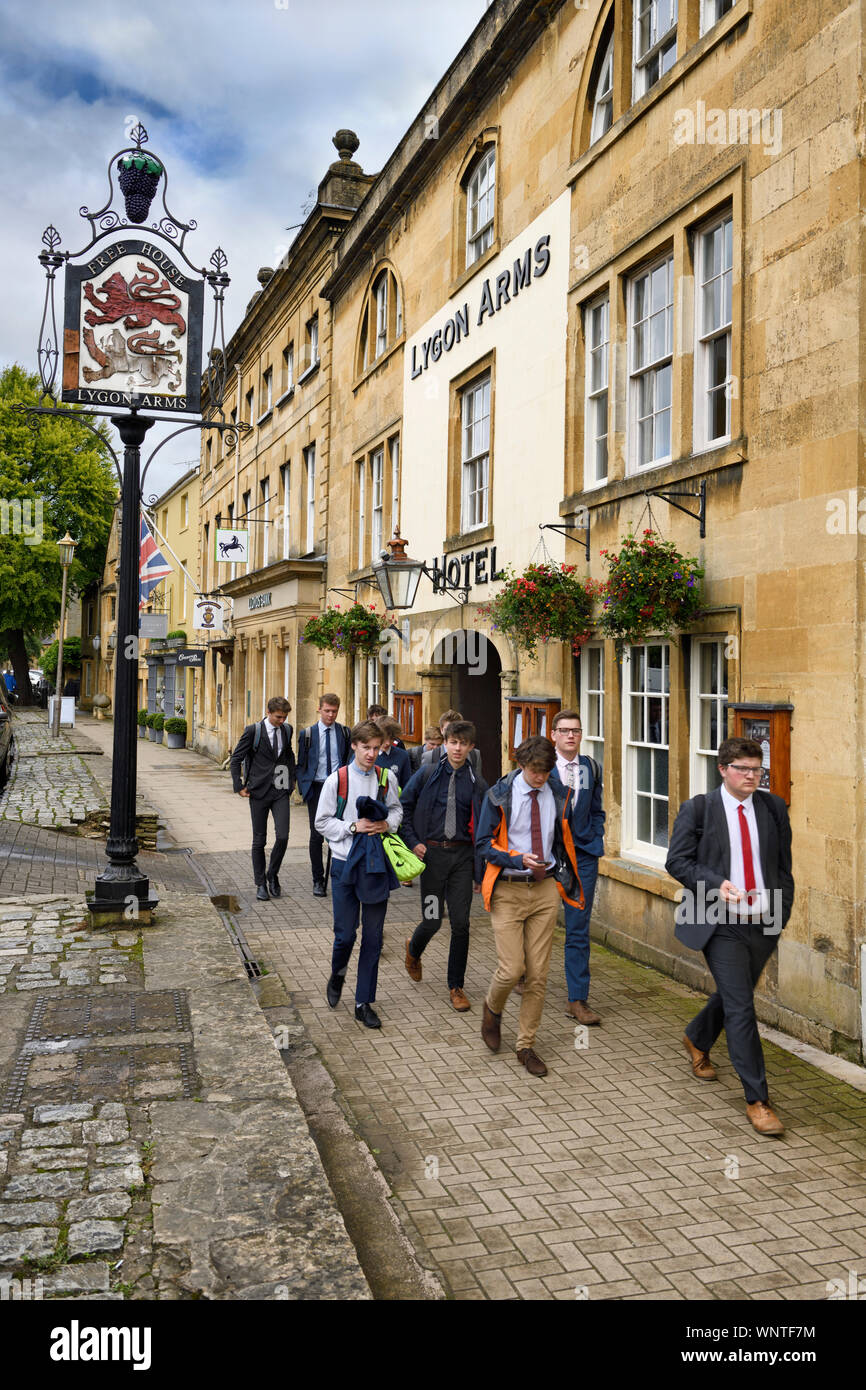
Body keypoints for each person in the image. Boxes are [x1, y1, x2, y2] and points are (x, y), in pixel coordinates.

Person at [665, 736, 795, 1136]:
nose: (753, 776)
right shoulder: (700, 809)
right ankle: (758, 1099)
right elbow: (677, 862)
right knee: (741, 1008)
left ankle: (696, 1037)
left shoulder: (772, 807)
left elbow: (783, 867)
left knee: (733, 994)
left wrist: (781, 913)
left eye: (757, 769)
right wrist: (714, 882)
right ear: (723, 769)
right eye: (744, 769)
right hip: (720, 923)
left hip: (763, 922)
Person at [476, 735, 583, 1078]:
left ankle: (525, 1046)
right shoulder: (498, 795)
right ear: (521, 765)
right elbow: (482, 844)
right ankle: (492, 1009)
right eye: (535, 771)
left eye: (546, 771)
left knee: (537, 975)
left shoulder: (559, 793)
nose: (540, 777)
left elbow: (565, 838)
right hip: (508, 889)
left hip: (544, 890)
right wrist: (515, 857)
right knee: (510, 969)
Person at [315, 720, 403, 1029]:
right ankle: (337, 974)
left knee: (374, 938)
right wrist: (352, 827)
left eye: (377, 748)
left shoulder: (386, 777)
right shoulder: (336, 780)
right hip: (343, 864)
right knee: (346, 935)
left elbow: (396, 811)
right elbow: (321, 822)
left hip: (376, 865)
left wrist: (385, 825)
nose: (371, 754)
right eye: (366, 747)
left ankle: (363, 1001)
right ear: (354, 746)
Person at [400, 720, 489, 1012]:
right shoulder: (427, 774)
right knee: (433, 919)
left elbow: (485, 828)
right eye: (453, 742)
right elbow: (404, 807)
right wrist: (413, 841)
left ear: (471, 747)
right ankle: (414, 949)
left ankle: (456, 986)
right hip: (432, 859)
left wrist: (480, 871)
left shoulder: (477, 783)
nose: (458, 748)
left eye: (464, 743)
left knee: (461, 924)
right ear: (445, 743)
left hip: (462, 858)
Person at [549, 710, 605, 1025]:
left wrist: (596, 836)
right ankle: (522, 973)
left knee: (578, 928)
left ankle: (577, 999)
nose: (571, 736)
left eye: (576, 731)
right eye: (565, 730)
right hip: (548, 857)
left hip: (582, 855)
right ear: (554, 734)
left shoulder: (590, 768)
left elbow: (597, 809)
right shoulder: (542, 767)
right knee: (536, 923)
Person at [230, 695, 297, 901]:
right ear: (268, 712)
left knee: (283, 836)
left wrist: (291, 782)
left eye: (285, 717)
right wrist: (238, 786)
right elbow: (236, 759)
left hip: (280, 790)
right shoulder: (254, 731)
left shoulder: (287, 730)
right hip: (258, 791)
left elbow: (288, 755)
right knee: (259, 840)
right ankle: (260, 884)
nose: (282, 721)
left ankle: (272, 874)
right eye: (278, 717)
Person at [296, 693, 352, 897]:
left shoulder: (345, 733)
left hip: (339, 788)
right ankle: (318, 879)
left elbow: (346, 759)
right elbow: (301, 763)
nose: (330, 715)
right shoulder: (308, 734)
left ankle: (341, 873)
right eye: (327, 710)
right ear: (319, 709)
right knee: (316, 834)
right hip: (317, 788)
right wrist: (304, 788)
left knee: (340, 831)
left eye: (334, 711)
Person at [421, 708, 482, 777]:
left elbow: (477, 783)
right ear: (441, 730)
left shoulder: (474, 755)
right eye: (448, 729)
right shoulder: (430, 756)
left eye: (456, 729)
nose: (452, 733)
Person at [371, 716, 412, 791]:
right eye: (384, 738)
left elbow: (407, 787)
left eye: (392, 738)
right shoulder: (367, 755)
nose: (388, 743)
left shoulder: (403, 756)